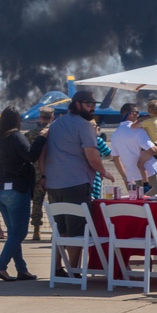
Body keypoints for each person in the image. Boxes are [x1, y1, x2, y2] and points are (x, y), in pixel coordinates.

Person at [43, 90, 115, 278]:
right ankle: (74, 271)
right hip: (76, 183)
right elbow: (92, 156)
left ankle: (58, 268)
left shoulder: (56, 124)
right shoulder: (84, 126)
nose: (92, 107)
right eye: (88, 104)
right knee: (77, 232)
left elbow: (44, 152)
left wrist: (44, 175)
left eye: (93, 104)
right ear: (77, 104)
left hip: (54, 184)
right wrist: (104, 172)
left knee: (60, 230)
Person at [0, 106, 48, 281]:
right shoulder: (15, 136)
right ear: (16, 120)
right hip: (16, 189)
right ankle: (1, 266)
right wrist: (41, 138)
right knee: (19, 232)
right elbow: (30, 155)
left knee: (13, 231)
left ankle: (22, 269)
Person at [111, 103, 157, 199]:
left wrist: (124, 177)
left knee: (139, 208)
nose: (138, 115)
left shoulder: (115, 134)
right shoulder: (138, 130)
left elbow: (115, 159)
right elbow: (151, 150)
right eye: (137, 112)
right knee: (155, 204)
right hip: (150, 173)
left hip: (132, 177)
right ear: (131, 114)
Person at [25, 106, 54, 241]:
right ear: (52, 117)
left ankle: (36, 230)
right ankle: (57, 230)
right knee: (55, 202)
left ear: (40, 117)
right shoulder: (55, 131)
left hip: (36, 172)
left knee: (37, 202)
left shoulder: (31, 133)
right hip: (55, 171)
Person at [131, 99, 157, 190]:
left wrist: (139, 120)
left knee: (140, 164)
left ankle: (146, 184)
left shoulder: (148, 122)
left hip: (151, 146)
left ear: (149, 111)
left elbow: (133, 126)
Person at [90, 120, 112, 200]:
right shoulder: (97, 140)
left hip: (81, 177)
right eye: (96, 126)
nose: (98, 128)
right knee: (95, 200)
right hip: (95, 176)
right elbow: (110, 154)